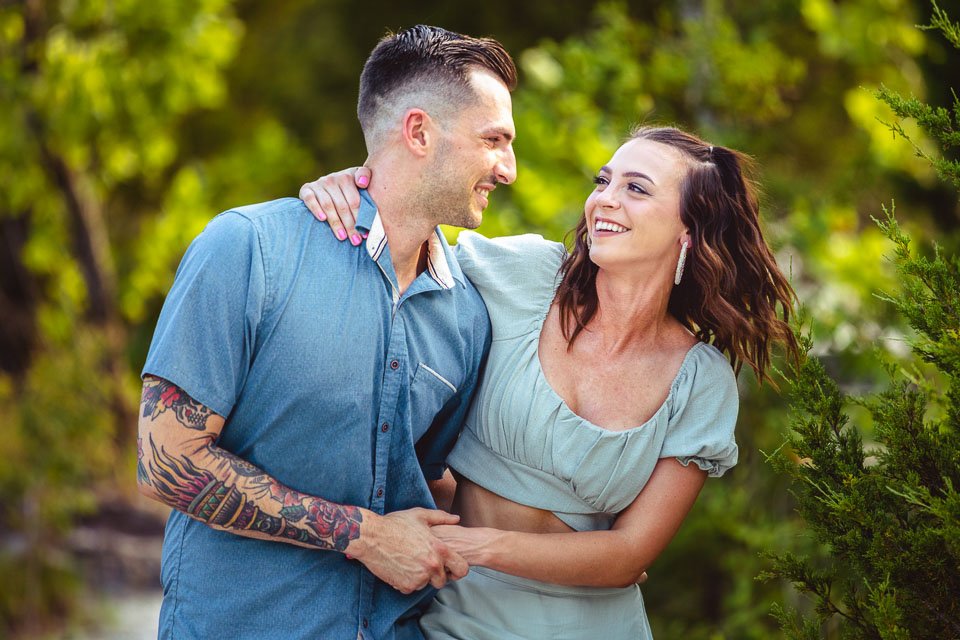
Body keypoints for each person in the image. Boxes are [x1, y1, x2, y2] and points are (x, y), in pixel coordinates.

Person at [299, 125, 801, 639]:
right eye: (603, 181)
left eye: (635, 188)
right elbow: (401, 248)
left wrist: (471, 544)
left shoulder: (699, 381)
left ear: (689, 230)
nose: (604, 199)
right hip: (455, 609)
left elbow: (629, 554)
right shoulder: (528, 276)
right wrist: (354, 189)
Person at [137, 25, 519, 640]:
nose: (509, 169)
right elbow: (166, 461)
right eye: (493, 141)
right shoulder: (249, 249)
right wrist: (363, 536)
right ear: (419, 132)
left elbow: (426, 483)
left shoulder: (467, 316)